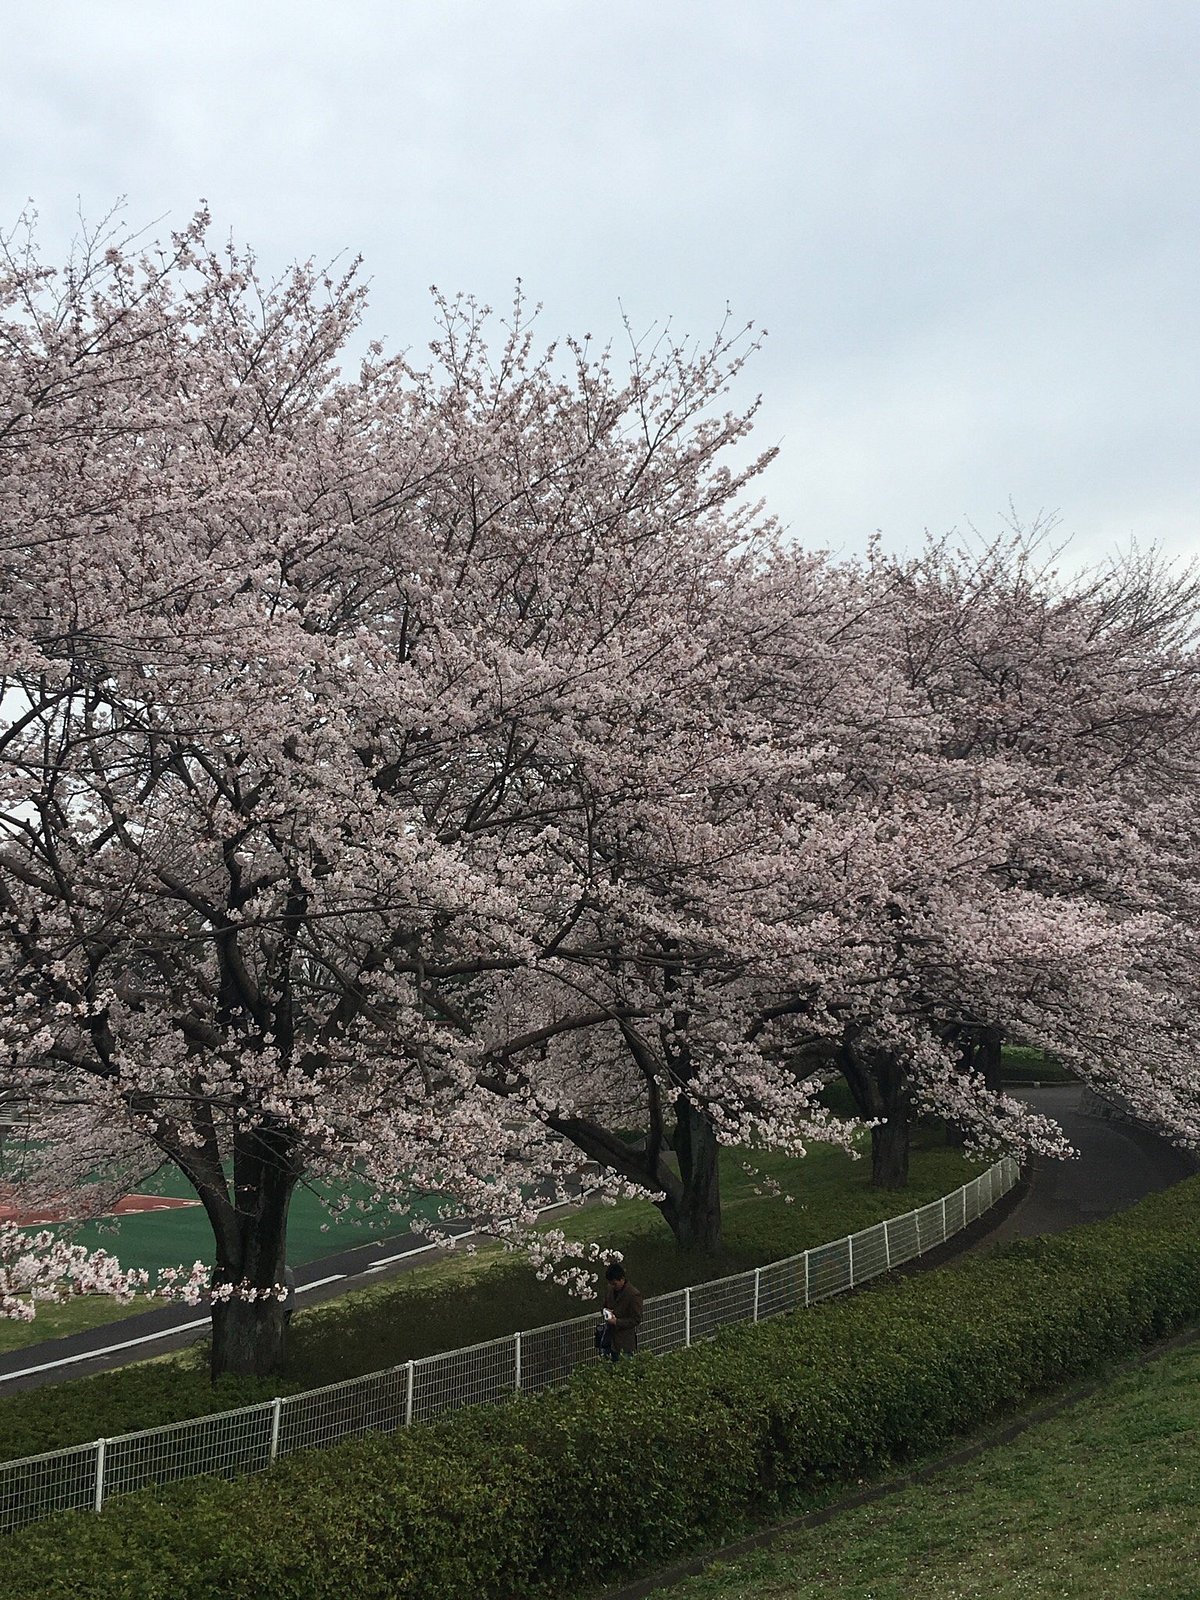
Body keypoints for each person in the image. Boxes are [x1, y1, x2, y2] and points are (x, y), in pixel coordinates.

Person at [600, 1261, 643, 1360]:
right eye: (611, 1284)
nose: (613, 1286)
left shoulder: (633, 1294)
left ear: (622, 1279)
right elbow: (603, 1306)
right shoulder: (610, 1289)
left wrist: (617, 1322)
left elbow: (636, 1319)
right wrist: (605, 1311)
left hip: (624, 1343)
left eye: (614, 1284)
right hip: (608, 1340)